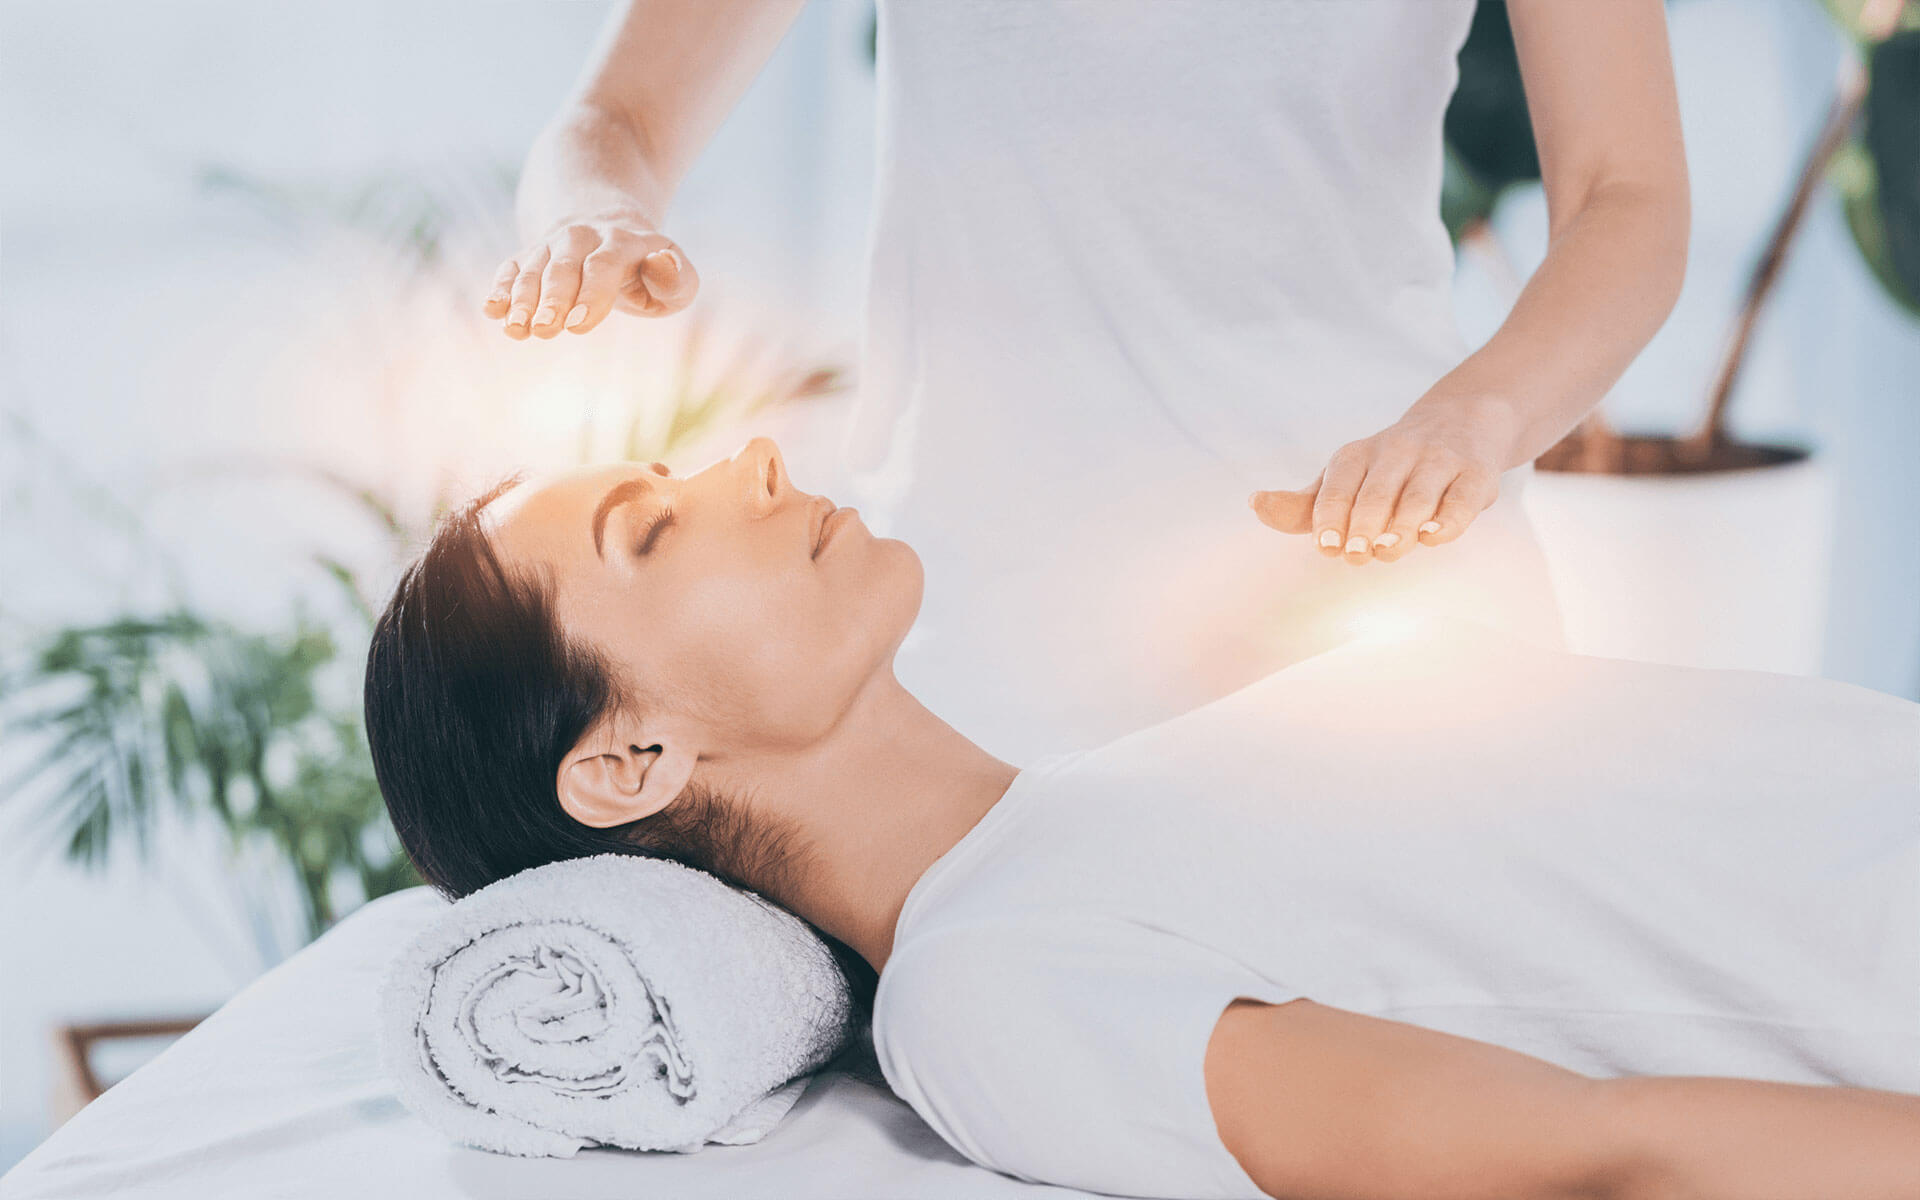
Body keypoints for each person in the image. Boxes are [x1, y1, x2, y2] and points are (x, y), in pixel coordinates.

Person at [364, 438, 1919, 1200]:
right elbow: (1596, 1157)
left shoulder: (1101, 800)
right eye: (652, 526)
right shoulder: (987, 990)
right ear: (629, 762)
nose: (752, 458)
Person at [481, 0, 1691, 764]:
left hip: (1384, 609)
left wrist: (1475, 421)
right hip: (980, 651)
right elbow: (616, 118)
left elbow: (1626, 196)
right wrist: (593, 211)